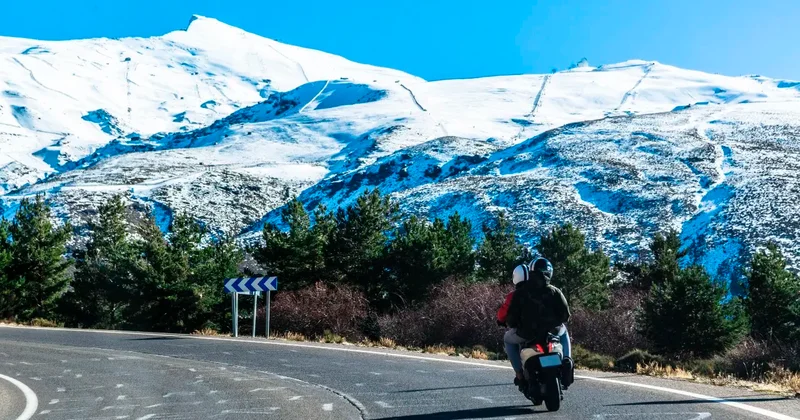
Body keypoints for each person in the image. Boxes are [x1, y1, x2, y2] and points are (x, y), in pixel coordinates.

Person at [504, 258, 572, 388]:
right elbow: (565, 315)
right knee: (564, 331)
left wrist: (513, 324)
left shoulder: (520, 293)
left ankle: (519, 373)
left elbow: (511, 318)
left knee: (507, 339)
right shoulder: (554, 291)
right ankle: (567, 359)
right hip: (552, 332)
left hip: (526, 334)